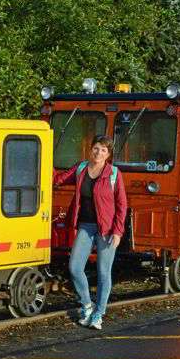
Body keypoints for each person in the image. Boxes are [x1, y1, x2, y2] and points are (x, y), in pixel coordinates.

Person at [53, 135, 127, 330]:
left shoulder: (114, 174)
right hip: (85, 226)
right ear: (90, 149)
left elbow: (122, 205)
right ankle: (87, 305)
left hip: (107, 229)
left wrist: (118, 232)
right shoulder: (81, 169)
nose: (99, 153)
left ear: (108, 154)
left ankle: (99, 313)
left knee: (103, 272)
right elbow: (57, 179)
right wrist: (41, 160)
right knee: (75, 266)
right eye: (96, 148)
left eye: (103, 150)